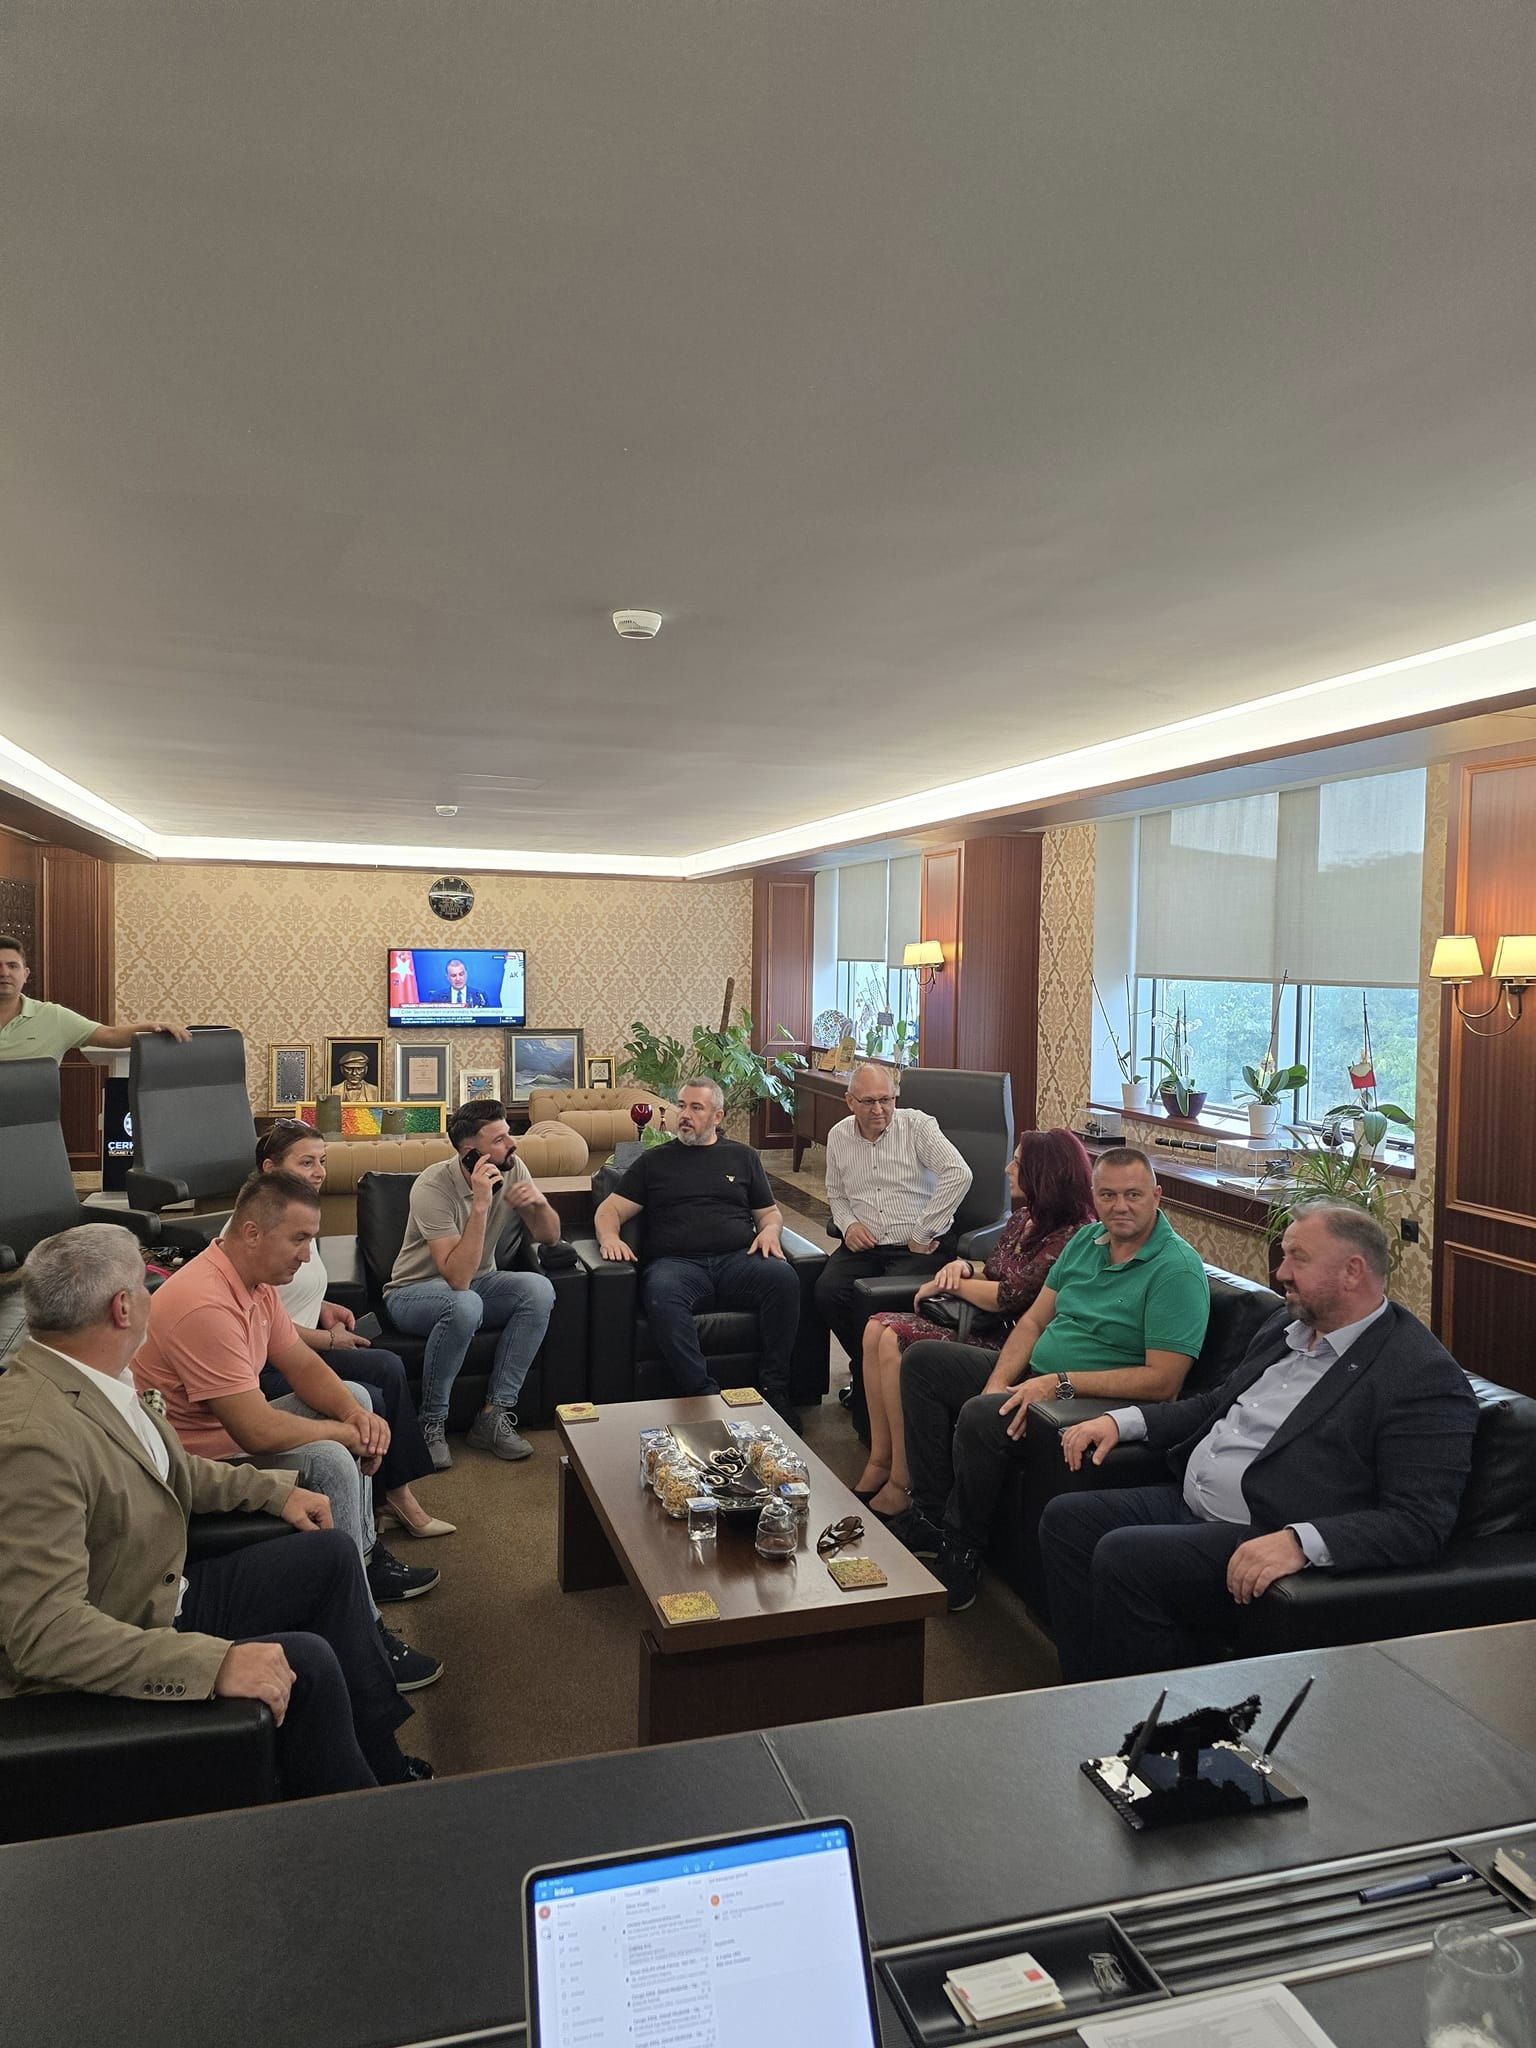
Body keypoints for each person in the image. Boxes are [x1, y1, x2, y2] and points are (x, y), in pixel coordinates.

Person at [0, 1225, 429, 1793]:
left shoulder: (99, 1378)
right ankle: (367, 1810)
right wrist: (209, 1664)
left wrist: (275, 1491)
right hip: (125, 1630)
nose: (154, 1295)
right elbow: (46, 1635)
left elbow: (173, 1470)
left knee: (331, 1557)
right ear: (123, 1308)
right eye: (146, 1285)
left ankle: (383, 1761)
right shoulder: (32, 1439)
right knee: (307, 1662)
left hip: (159, 1584)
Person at [1039, 1202, 1479, 1682]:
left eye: (1298, 1258)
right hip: (1192, 1502)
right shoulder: (1284, 1327)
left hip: (1264, 1525)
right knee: (1067, 1520)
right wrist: (1123, 1422)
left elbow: (1419, 1522)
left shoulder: (1420, 1375)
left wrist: (1302, 1542)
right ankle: (1084, 1688)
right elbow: (1216, 1404)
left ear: (1353, 1271)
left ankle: (1167, 1720)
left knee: (1125, 1557)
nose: (1281, 1272)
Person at [134, 1171, 443, 1692]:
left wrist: (353, 1416)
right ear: (252, 1232)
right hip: (193, 1466)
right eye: (299, 1239)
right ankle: (365, 1632)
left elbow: (301, 1364)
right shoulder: (204, 1303)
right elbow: (254, 1430)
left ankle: (364, 1559)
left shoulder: (254, 1284)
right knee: (330, 1456)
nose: (306, 1256)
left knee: (358, 1399)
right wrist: (345, 1435)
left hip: (224, 1435)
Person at [899, 1146, 1210, 1612]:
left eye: (1133, 1195)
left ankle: (962, 1548)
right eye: (1108, 1195)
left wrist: (1058, 1384)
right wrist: (999, 1381)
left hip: (1087, 1400)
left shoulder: (1176, 1270)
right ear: (1094, 1195)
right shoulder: (1086, 1241)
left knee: (983, 1415)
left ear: (1157, 1196)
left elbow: (1163, 1382)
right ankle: (930, 1517)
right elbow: (1033, 1322)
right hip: (1039, 1377)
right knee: (924, 1362)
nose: (1120, 1206)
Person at [854, 1128, 1096, 1518]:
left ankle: (903, 1480)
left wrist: (951, 1285)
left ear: (1044, 1174)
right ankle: (880, 1460)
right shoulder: (1024, 1217)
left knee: (893, 1339)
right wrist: (964, 1267)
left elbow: (1010, 1295)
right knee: (875, 1329)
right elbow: (995, 1269)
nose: (1007, 1169)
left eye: (1017, 1163)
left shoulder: (1072, 1236)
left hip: (1009, 1340)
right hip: (985, 1323)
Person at [252, 1119, 453, 1539]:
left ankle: (392, 1494)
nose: (319, 1172)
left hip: (300, 1346)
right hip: (269, 1364)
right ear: (270, 1168)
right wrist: (328, 1339)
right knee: (372, 1394)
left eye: (322, 1161)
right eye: (306, 1162)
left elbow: (286, 1295)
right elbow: (263, 1324)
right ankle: (389, 1503)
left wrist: (322, 1306)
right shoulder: (261, 1231)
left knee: (388, 1365)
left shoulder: (298, 1212)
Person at [593, 1079, 802, 1424]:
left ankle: (774, 1388)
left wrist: (770, 1231)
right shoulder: (654, 1162)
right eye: (681, 1106)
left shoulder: (743, 1157)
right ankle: (703, 1394)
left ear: (717, 1116)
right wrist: (609, 1238)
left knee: (784, 1279)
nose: (684, 1115)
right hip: (677, 1265)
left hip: (737, 1260)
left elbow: (769, 1213)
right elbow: (609, 1210)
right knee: (660, 1293)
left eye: (696, 1107)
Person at [384, 1098, 560, 1468]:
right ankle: (431, 1422)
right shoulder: (432, 1186)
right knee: (465, 1303)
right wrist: (480, 1205)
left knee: (539, 1290)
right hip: (412, 1293)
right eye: (499, 1139)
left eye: (508, 1133)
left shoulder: (512, 1167)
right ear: (470, 1154)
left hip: (479, 1285)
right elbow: (458, 1277)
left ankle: (492, 1416)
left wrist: (540, 1205)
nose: (512, 1143)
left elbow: (550, 1237)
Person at [813, 1064, 973, 1435]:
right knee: (826, 1292)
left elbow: (958, 1173)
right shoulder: (839, 1135)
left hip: (918, 1248)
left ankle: (872, 1386)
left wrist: (923, 1230)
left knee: (874, 1303)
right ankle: (868, 1369)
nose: (879, 1109)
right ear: (850, 1102)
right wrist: (848, 1224)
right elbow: (836, 1193)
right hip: (865, 1245)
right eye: (869, 1101)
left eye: (886, 1100)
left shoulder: (917, 1126)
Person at [0, 932, 188, 1061]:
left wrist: (152, 1027)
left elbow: (110, 1034)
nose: (4, 973)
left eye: (12, 966)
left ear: (25, 974)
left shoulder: (52, 1016)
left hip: (34, 1110)